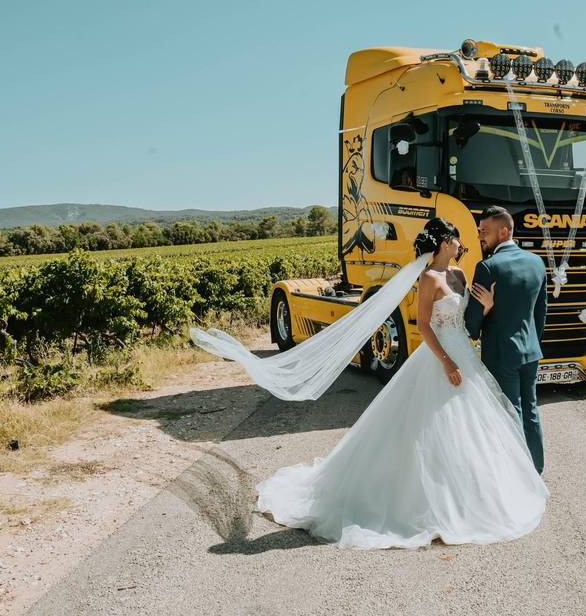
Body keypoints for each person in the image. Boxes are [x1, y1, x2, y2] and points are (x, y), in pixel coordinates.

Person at [189, 217, 548, 549]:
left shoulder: (459, 273)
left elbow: (467, 319)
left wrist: (484, 311)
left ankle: (477, 495)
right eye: (455, 238)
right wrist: (447, 361)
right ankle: (424, 503)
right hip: (443, 357)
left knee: (474, 428)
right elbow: (424, 327)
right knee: (430, 429)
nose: (461, 243)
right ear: (442, 242)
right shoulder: (428, 279)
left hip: (465, 355)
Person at [464, 206, 548, 473]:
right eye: (479, 231)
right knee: (531, 411)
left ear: (504, 231)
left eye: (484, 231)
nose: (480, 237)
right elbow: (540, 313)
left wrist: (483, 315)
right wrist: (532, 342)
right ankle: (536, 469)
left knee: (510, 412)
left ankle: (517, 475)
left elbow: (472, 323)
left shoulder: (487, 267)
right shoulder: (537, 262)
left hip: (501, 353)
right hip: (530, 351)